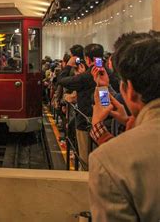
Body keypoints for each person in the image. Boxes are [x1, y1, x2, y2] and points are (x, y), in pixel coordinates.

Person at [88, 31, 160, 221]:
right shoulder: (111, 80)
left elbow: (107, 106)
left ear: (129, 89)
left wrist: (97, 126)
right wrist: (103, 86)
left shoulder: (109, 160)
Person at [58, 43, 115, 170]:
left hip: (86, 123)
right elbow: (106, 100)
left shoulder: (85, 77)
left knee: (86, 162)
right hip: (108, 123)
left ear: (87, 59)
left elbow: (61, 80)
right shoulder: (109, 74)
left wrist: (68, 65)